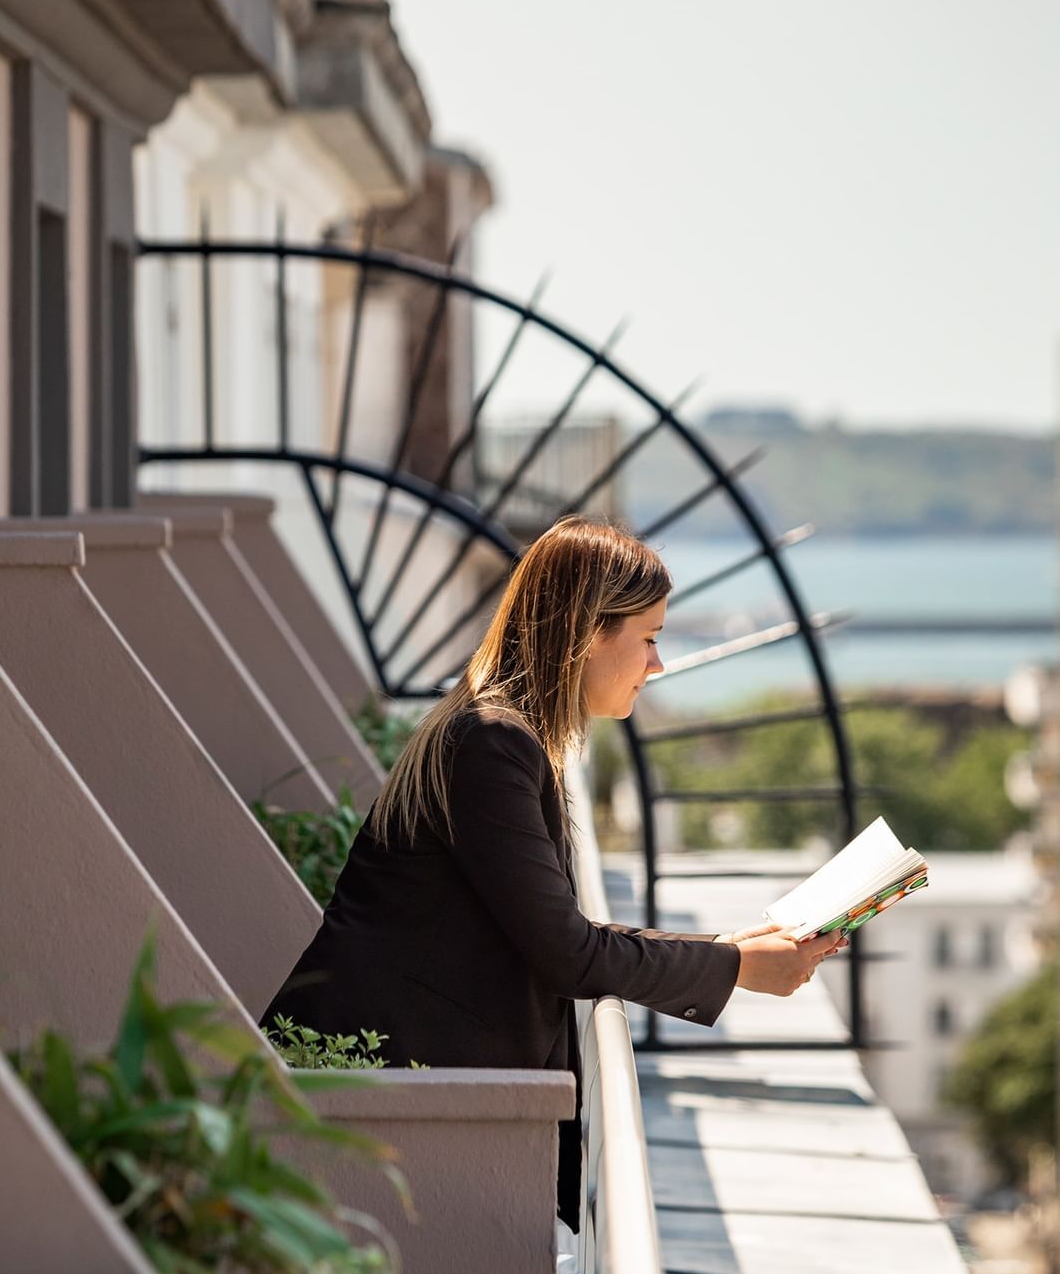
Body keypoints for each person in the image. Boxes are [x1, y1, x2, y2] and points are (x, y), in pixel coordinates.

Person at [261, 516, 843, 1227]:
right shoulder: (492, 744)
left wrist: (728, 953)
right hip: (372, 1106)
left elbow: (551, 931)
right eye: (649, 637)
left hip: (386, 1093)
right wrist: (733, 969)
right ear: (587, 632)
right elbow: (564, 952)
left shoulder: (497, 733)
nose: (656, 664)